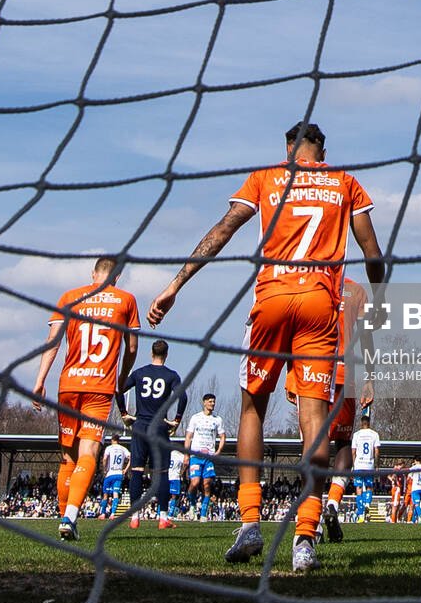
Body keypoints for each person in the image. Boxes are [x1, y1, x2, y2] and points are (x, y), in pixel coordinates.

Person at [147, 120, 385, 573]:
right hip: (321, 304)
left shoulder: (267, 178)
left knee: (253, 406)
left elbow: (223, 230)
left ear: (287, 149)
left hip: (272, 299)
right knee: (314, 419)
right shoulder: (345, 182)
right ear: (323, 150)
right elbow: (372, 251)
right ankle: (304, 540)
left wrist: (175, 284)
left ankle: (250, 521)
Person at [32, 255, 140, 542]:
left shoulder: (69, 296)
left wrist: (40, 380)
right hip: (100, 386)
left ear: (93, 273)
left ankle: (63, 515)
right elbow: (131, 346)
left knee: (68, 455)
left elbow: (52, 342)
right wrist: (122, 378)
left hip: (68, 384)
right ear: (116, 276)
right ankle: (69, 517)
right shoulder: (126, 299)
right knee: (88, 452)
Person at [283, 277, 372, 543]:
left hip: (311, 373)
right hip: (346, 375)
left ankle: (311, 520)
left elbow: (291, 332)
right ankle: (333, 500)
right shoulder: (356, 290)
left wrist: (290, 376)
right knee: (344, 443)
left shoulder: (305, 281)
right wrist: (370, 378)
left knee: (311, 444)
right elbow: (366, 334)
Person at [119, 338, 188, 530]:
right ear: (166, 355)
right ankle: (163, 518)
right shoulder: (171, 375)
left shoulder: (139, 373)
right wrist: (177, 420)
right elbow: (182, 397)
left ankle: (134, 518)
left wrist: (124, 413)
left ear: (151, 353)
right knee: (162, 473)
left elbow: (118, 390)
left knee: (137, 471)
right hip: (159, 427)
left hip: (140, 425)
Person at [183, 393, 226, 521]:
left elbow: (222, 436)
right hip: (196, 456)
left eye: (214, 401)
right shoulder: (195, 418)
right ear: (204, 403)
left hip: (209, 457)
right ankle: (191, 504)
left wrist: (218, 451)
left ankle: (203, 513)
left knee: (207, 485)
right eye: (210, 401)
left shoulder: (217, 419)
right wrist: (186, 454)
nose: (212, 404)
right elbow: (188, 437)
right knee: (195, 482)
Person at [351, 413, 381, 522]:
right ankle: (367, 504)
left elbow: (353, 452)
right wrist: (377, 465)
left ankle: (361, 514)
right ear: (369, 423)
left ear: (361, 423)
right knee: (369, 486)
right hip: (369, 465)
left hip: (359, 465)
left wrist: (353, 466)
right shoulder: (374, 434)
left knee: (358, 488)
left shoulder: (356, 435)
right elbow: (377, 451)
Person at [99, 435, 130, 519]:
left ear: (112, 440)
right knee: (115, 494)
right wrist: (125, 469)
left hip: (109, 473)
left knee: (105, 494)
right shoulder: (123, 449)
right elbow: (131, 458)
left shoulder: (109, 448)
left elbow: (105, 459)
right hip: (119, 473)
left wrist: (104, 470)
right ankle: (113, 514)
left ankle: (103, 513)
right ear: (118, 440)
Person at [167, 446, 186, 520]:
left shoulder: (168, 453)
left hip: (167, 476)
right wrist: (182, 471)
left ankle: (159, 513)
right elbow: (186, 462)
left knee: (164, 495)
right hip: (175, 477)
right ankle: (170, 515)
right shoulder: (179, 455)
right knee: (173, 496)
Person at [407, 457, 421, 522]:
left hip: (415, 488)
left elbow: (408, 477)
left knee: (416, 504)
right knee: (417, 505)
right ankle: (414, 520)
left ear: (415, 460)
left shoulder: (415, 467)